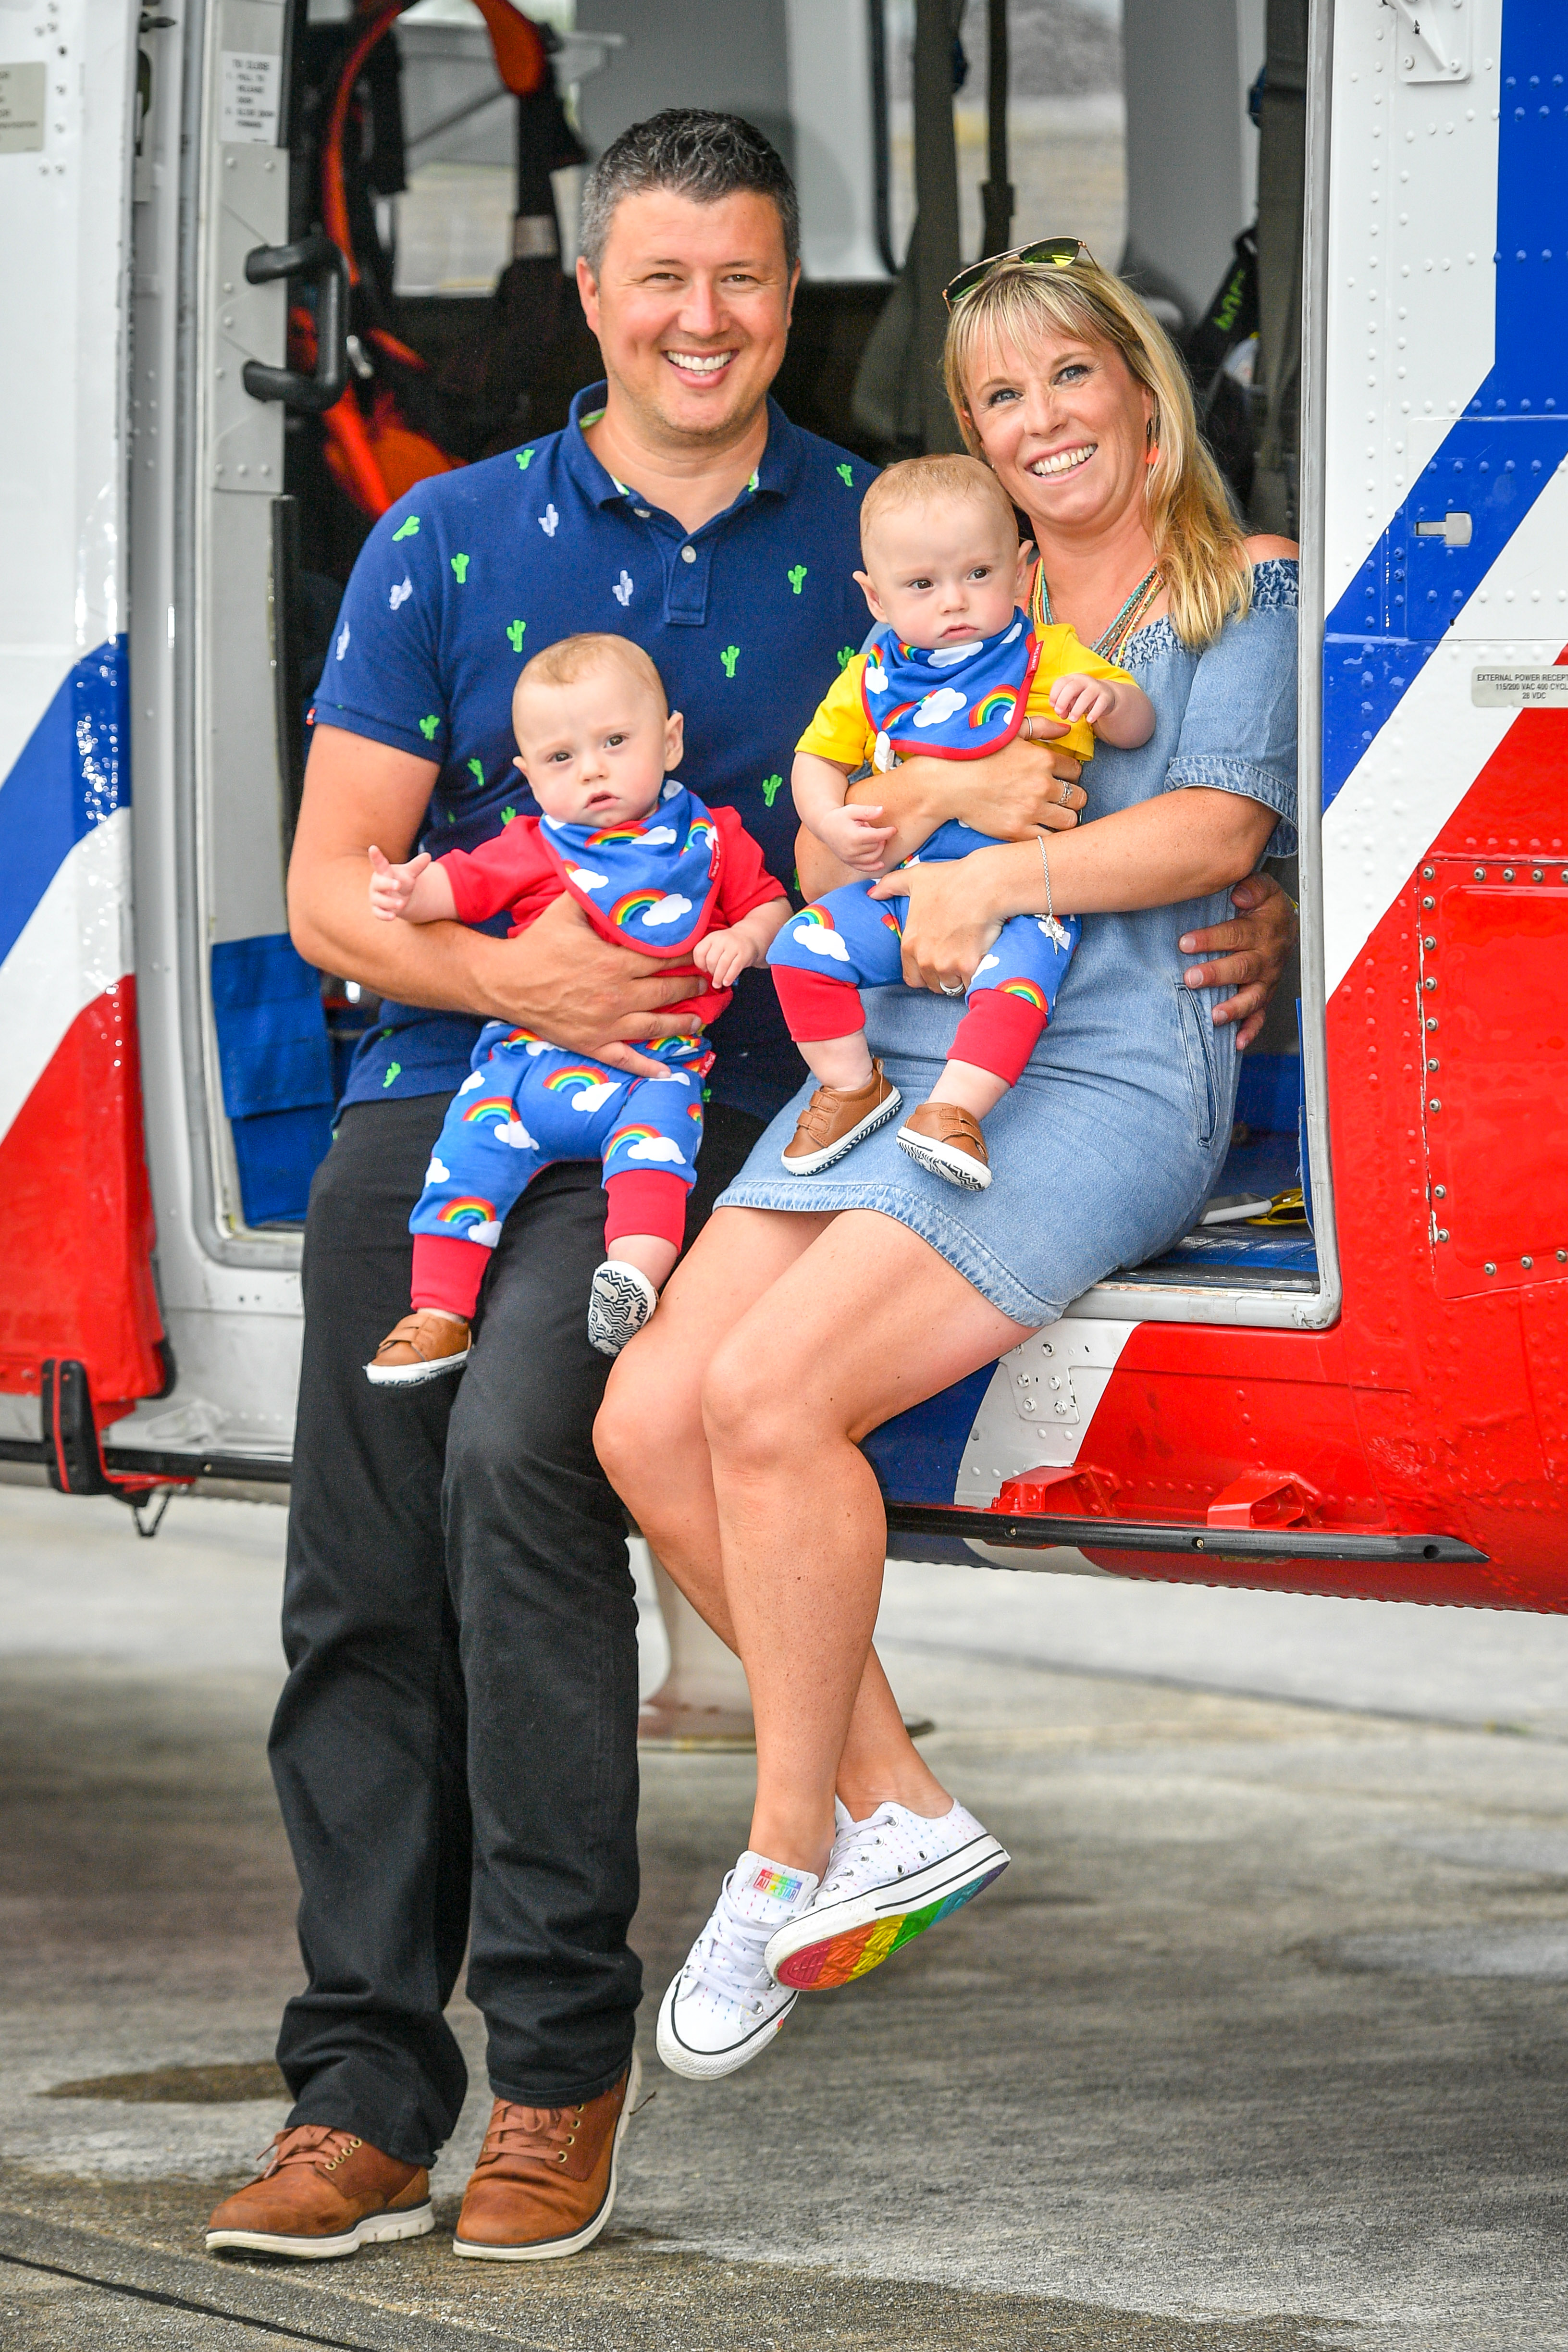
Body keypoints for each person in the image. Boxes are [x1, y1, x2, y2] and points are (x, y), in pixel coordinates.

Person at [205, 103, 1294, 2265]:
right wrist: (513, 956)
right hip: (465, 1073)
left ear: (793, 301)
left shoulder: (882, 534)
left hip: (731, 1093)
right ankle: (359, 2077)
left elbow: (1173, 789)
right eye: (665, 276)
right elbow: (347, 883)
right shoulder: (462, 537)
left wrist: (1156, 909)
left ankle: (568, 2061)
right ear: (593, 293)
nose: (708, 317)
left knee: (548, 1465)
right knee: (382, 1558)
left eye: (751, 278)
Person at [596, 242, 1300, 2087]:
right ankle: (894, 1798)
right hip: (885, 1053)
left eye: (1071, 377)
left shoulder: (1239, 589)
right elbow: (834, 849)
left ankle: (780, 1851)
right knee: (645, 1417)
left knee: (764, 1397)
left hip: (1098, 1063)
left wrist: (984, 862)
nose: (1041, 421)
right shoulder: (932, 599)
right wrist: (865, 822)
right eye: (1000, 396)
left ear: (1143, 392)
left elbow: (1215, 827)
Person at [363, 635, 788, 1377]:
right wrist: (407, 892)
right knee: (463, 1159)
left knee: (657, 1157)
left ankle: (632, 1278)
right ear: (528, 776)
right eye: (561, 758)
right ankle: (437, 1312)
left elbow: (771, 904)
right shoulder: (531, 845)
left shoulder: (712, 838)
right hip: (527, 1071)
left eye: (615, 742)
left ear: (671, 739)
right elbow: (457, 889)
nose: (592, 769)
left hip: (651, 1068)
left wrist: (747, 938)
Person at [768, 452, 1154, 1192]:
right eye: (922, 584)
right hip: (901, 896)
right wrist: (828, 820)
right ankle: (852, 1087)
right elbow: (814, 757)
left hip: (1022, 901)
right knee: (798, 947)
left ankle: (954, 1111)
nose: (954, 601)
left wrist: (1106, 700)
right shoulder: (873, 673)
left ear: (1021, 571)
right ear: (874, 597)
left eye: (978, 574)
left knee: (1020, 983)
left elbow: (1136, 722)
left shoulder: (1045, 656)